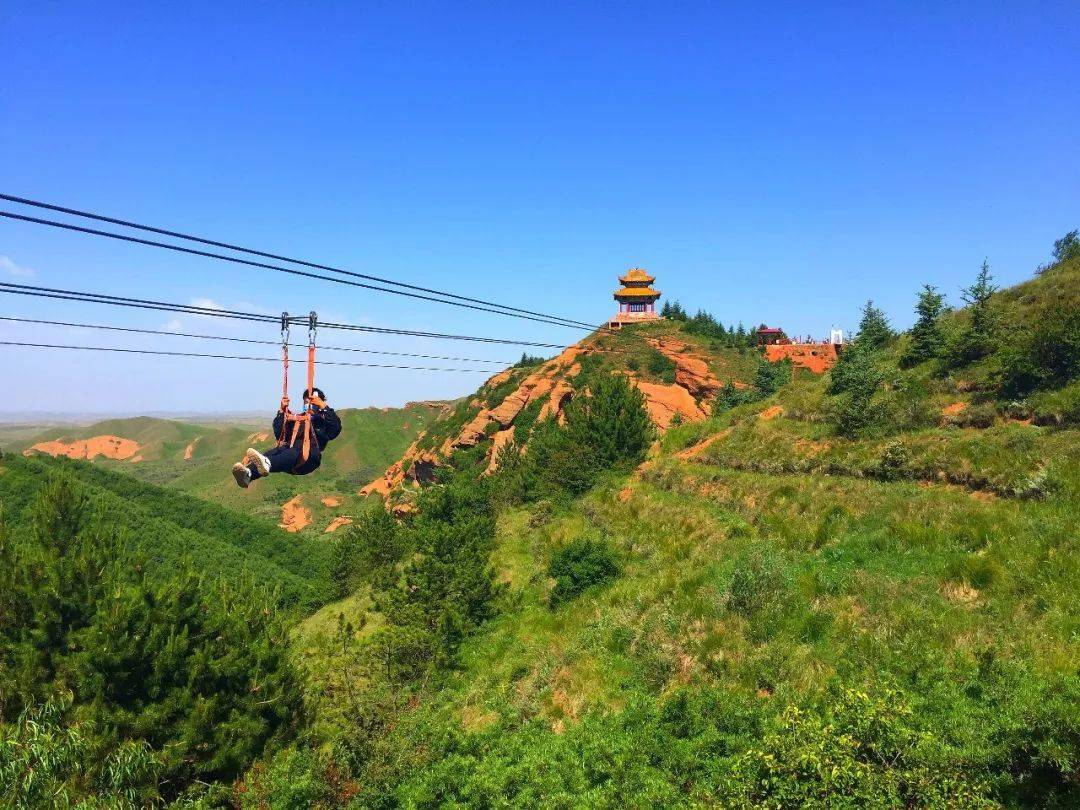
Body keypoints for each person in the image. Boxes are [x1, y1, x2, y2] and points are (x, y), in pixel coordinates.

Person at [232, 387, 342, 487]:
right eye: (306, 402)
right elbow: (279, 432)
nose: (308, 405)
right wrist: (281, 411)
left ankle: (266, 463)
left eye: (312, 402)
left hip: (308, 459)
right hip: (289, 458)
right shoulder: (298, 420)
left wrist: (323, 406)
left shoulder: (322, 422)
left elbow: (335, 428)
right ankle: (248, 474)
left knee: (291, 451)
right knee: (275, 451)